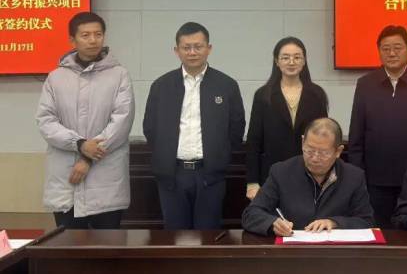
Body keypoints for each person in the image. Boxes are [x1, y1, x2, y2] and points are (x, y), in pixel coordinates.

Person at [36, 12, 135, 228]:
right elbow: (46, 121)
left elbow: (122, 121)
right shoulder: (56, 78)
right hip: (66, 180)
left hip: (106, 181)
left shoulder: (119, 75)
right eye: (85, 35)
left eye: (98, 34)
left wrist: (89, 157)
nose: (93, 40)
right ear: (72, 40)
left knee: (107, 245)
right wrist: (79, 144)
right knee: (68, 244)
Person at [143, 21, 245, 229]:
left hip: (210, 174)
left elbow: (236, 128)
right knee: (175, 235)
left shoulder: (226, 85)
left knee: (207, 235)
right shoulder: (161, 85)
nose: (192, 52)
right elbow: (150, 128)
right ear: (176, 51)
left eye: (198, 46)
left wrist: (219, 158)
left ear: (209, 48)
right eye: (186, 47)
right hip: (172, 174)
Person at [348, 25, 407, 228]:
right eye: (386, 48)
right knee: (380, 233)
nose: (392, 53)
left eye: (397, 48)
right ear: (379, 51)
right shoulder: (365, 84)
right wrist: (358, 177)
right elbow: (356, 135)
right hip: (376, 181)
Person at [242, 117, 374, 235]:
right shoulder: (281, 172)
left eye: (323, 153)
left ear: (338, 151)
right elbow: (251, 214)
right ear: (302, 142)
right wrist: (272, 224)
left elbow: (366, 221)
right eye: (310, 150)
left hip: (334, 252)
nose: (315, 158)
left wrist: (334, 223)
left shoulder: (354, 177)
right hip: (292, 249)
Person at [245, 36, 328, 200]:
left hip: (310, 174)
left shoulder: (316, 94)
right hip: (272, 175)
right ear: (277, 61)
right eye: (285, 57)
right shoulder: (263, 95)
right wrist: (252, 182)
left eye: (297, 57)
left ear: (304, 61)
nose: (291, 62)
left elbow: (324, 137)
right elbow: (254, 141)